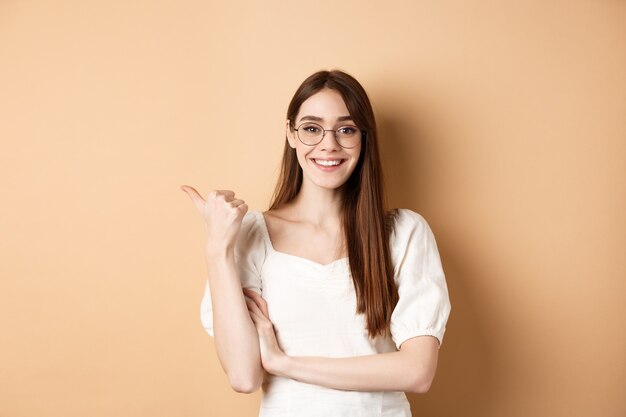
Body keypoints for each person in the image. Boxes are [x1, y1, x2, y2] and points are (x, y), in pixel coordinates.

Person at [181, 70, 451, 417]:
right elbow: (243, 375)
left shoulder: (404, 233)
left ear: (363, 139)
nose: (329, 144)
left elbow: (417, 371)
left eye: (346, 129)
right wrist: (218, 248)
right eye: (312, 128)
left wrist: (285, 363)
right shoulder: (251, 234)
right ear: (291, 133)